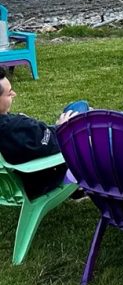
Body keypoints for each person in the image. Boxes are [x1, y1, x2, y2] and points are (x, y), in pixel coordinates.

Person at [0, 66, 77, 198]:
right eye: (9, 93)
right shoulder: (14, 128)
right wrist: (64, 127)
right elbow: (55, 144)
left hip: (10, 181)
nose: (14, 94)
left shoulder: (15, 127)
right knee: (82, 114)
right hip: (40, 179)